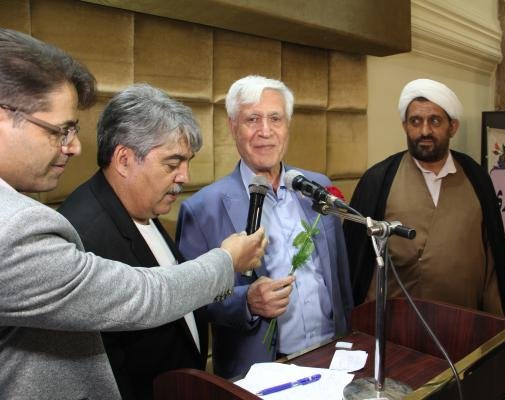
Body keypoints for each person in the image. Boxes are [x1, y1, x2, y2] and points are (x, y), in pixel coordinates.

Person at [0, 28, 266, 400]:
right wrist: (228, 260)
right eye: (61, 131)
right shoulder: (61, 229)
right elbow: (145, 298)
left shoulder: (144, 206)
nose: (73, 147)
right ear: (125, 160)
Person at [177, 75, 353, 378]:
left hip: (334, 356)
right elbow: (189, 303)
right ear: (233, 126)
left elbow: (340, 278)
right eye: (252, 119)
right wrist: (246, 302)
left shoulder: (319, 188)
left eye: (275, 118)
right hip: (261, 372)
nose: (265, 131)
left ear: (288, 125)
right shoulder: (202, 209)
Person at [58, 84, 210, 400]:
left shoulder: (143, 204)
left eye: (187, 163)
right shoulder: (82, 235)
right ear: (125, 160)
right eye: (172, 164)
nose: (185, 177)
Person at [344, 78, 505, 316]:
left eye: (435, 121)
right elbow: (356, 262)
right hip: (398, 323)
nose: (424, 131)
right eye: (415, 121)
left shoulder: (476, 178)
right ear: (405, 126)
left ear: (452, 127)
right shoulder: (378, 180)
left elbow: (493, 260)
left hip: (464, 322)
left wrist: (494, 323)